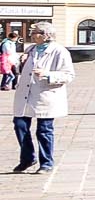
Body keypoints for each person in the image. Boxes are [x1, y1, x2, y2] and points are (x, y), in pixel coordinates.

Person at [12, 25, 75, 174]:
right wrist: (21, 62)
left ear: (46, 35)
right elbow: (20, 70)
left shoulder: (59, 51)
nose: (32, 35)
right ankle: (28, 158)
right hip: (26, 94)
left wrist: (48, 74)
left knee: (44, 130)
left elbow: (69, 75)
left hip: (45, 96)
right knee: (19, 124)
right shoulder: (31, 49)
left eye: (35, 33)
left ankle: (46, 162)